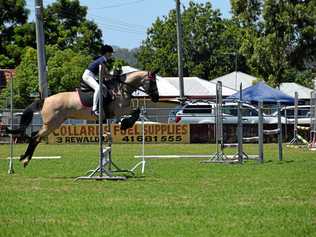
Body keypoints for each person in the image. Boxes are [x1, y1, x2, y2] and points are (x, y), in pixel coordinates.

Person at [82, 44, 114, 116]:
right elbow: (104, 74)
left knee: (104, 88)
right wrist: (110, 76)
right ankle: (94, 109)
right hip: (88, 76)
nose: (111, 55)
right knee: (98, 88)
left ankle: (103, 108)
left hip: (92, 76)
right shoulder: (102, 60)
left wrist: (112, 76)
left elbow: (105, 75)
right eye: (110, 53)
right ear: (106, 53)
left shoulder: (102, 60)